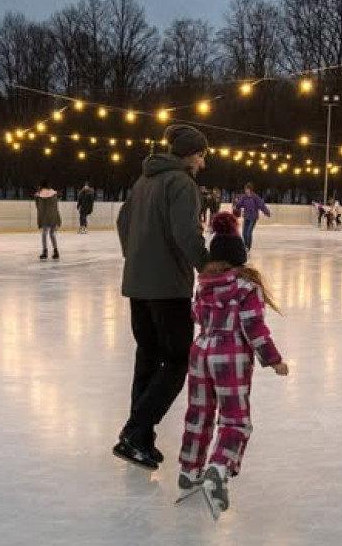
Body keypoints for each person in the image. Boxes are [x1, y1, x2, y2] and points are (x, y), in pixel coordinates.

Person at [177, 211, 287, 515]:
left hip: (200, 352)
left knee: (199, 414)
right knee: (235, 419)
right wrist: (273, 359)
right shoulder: (246, 287)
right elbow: (254, 328)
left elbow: (197, 317)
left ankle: (189, 471)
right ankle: (219, 466)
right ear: (241, 258)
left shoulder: (204, 284)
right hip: (230, 354)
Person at [114, 123, 209, 471]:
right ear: (190, 154)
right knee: (178, 359)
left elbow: (123, 223)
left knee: (149, 357)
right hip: (167, 287)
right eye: (201, 155)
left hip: (138, 284)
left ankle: (140, 438)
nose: (203, 163)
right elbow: (187, 233)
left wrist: (137, 256)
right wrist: (207, 266)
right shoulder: (181, 183)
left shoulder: (144, 181)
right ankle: (135, 431)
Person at [233, 182, 271, 251]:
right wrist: (236, 204)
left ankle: (248, 247)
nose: (246, 190)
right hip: (246, 217)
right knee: (244, 233)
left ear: (250, 189)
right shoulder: (244, 197)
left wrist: (267, 212)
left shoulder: (255, 197)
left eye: (247, 189)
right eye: (245, 189)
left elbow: (261, 205)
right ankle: (245, 246)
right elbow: (239, 205)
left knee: (248, 232)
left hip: (253, 217)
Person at [35, 180, 61, 260]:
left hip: (44, 217)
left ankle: (44, 252)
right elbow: (56, 207)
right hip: (53, 216)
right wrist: (58, 218)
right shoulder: (54, 194)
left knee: (44, 234)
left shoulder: (38, 195)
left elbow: (38, 207)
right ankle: (56, 251)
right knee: (52, 234)